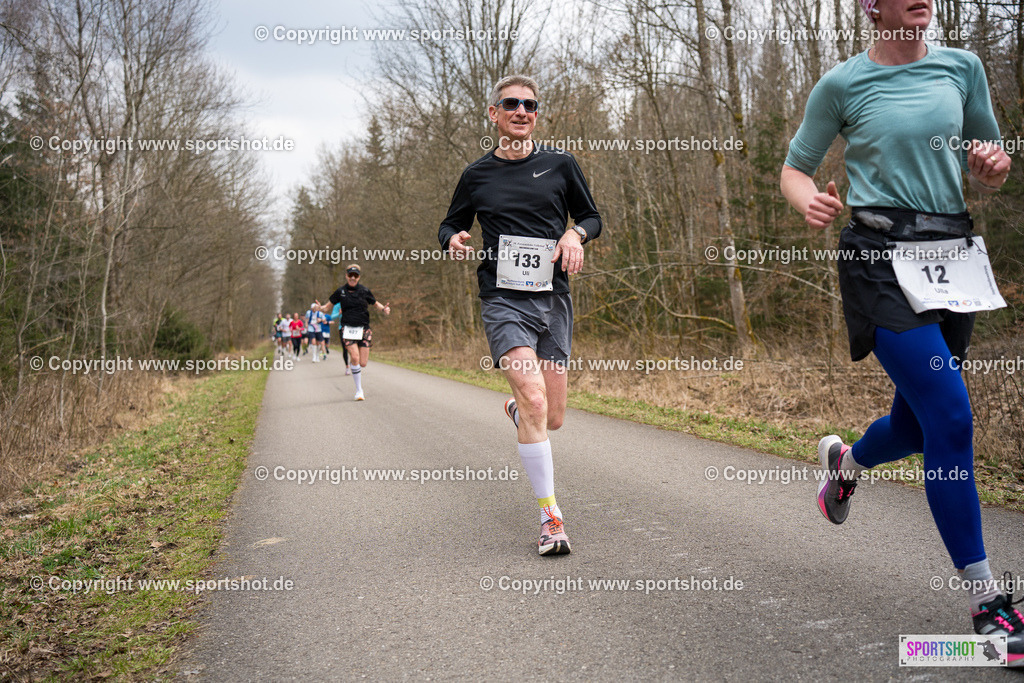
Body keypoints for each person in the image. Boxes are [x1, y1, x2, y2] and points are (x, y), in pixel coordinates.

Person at [780, 0, 1021, 663]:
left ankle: (845, 464)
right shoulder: (843, 84)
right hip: (878, 259)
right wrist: (811, 202)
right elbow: (794, 168)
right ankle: (988, 604)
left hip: (951, 257)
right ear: (871, 7)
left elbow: (987, 159)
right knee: (950, 416)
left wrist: (992, 169)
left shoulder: (962, 68)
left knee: (917, 427)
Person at [438, 74, 602, 556]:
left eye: (529, 105)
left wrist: (576, 236)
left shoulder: (560, 164)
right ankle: (552, 519)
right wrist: (450, 237)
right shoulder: (476, 175)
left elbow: (592, 217)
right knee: (533, 398)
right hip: (502, 299)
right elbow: (451, 220)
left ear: (536, 114)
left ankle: (518, 413)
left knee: (552, 418)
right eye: (511, 103)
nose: (521, 111)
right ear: (494, 113)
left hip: (553, 300)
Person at [316, 265, 390, 400]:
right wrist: (319, 308)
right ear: (346, 276)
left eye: (355, 276)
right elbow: (326, 307)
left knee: (363, 363)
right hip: (348, 328)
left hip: (364, 328)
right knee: (355, 357)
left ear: (359, 277)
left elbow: (375, 303)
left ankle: (354, 365)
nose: (353, 278)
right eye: (350, 275)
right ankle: (359, 390)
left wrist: (383, 309)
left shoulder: (364, 291)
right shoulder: (340, 292)